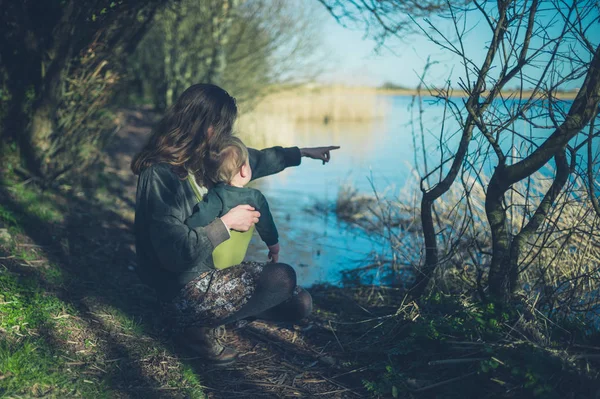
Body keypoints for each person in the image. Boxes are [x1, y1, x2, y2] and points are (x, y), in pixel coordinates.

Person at [131, 83, 339, 365]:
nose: (225, 135)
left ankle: (221, 313)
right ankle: (191, 328)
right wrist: (227, 223)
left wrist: (301, 152)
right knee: (282, 278)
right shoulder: (160, 176)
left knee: (299, 304)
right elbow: (174, 253)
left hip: (212, 277)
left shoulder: (207, 158)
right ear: (205, 125)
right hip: (179, 288)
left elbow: (258, 160)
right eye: (223, 127)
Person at [185, 135, 281, 268]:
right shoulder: (256, 197)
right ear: (243, 170)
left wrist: (186, 226)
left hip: (213, 264)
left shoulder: (215, 195)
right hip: (234, 263)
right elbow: (267, 227)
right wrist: (274, 248)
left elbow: (195, 222)